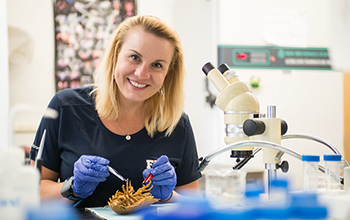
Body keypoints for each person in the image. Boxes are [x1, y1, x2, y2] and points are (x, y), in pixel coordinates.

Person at [30, 14, 202, 208]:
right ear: (116, 55)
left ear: (168, 73)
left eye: (157, 65)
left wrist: (169, 196)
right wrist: (72, 188)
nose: (141, 74)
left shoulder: (177, 124)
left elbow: (195, 207)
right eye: (135, 57)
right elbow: (32, 192)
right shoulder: (65, 107)